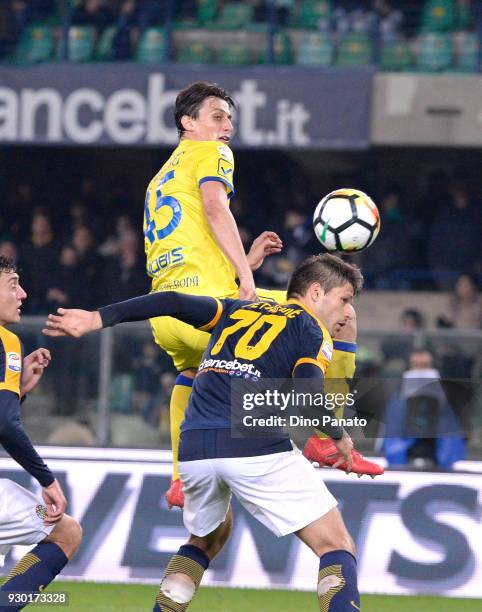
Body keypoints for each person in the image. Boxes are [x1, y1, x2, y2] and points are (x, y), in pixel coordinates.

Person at [44, 253, 365, 611]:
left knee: (206, 539)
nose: (348, 312)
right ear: (317, 292)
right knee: (336, 545)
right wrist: (338, 435)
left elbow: (170, 301)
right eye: (345, 299)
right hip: (253, 446)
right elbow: (308, 397)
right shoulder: (311, 330)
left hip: (195, 448)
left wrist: (97, 317)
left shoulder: (235, 309)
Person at [143, 80, 284, 506]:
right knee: (325, 314)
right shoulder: (213, 153)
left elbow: (188, 241)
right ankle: (322, 434)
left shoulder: (160, 177)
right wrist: (246, 278)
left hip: (165, 315)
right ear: (188, 122)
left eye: (230, 120)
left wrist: (246, 259)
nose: (227, 127)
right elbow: (214, 207)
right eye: (217, 116)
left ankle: (179, 479)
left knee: (190, 375)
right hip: (209, 307)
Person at [0, 256, 82, 609]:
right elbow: (4, 422)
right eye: (12, 284)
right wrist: (47, 480)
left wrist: (18, 390)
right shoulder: (6, 341)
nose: (23, 293)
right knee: (65, 532)